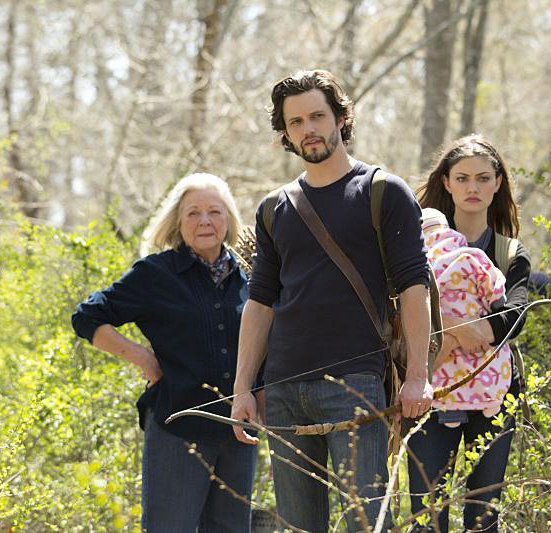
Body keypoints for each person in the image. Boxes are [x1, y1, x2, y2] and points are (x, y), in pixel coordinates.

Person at [230, 69, 433, 533]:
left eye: (318, 116)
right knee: (300, 528)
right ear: (284, 132)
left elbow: (413, 288)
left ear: (341, 118)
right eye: (296, 121)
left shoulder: (383, 191)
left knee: (367, 524)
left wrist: (417, 377)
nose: (309, 129)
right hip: (282, 389)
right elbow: (260, 302)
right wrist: (244, 386)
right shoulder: (272, 208)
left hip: (354, 384)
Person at [71, 173, 258, 532]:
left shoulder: (249, 276)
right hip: (179, 428)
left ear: (229, 219)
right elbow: (88, 316)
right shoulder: (156, 274)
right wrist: (142, 357)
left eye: (215, 212)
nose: (205, 221)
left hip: (238, 432)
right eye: (193, 213)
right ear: (177, 221)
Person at [409, 134, 531, 532]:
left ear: (498, 182)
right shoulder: (418, 245)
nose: (472, 188)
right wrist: (465, 330)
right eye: (462, 178)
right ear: (446, 182)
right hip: (430, 391)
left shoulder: (510, 252)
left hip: (494, 396)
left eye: (482, 178)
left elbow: (515, 313)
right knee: (426, 514)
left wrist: (453, 331)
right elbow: (402, 307)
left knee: (483, 516)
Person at [420, 207, 512, 422]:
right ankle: (491, 402)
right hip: (478, 339)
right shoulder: (472, 256)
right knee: (486, 369)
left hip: (440, 345)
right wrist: (496, 302)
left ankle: (450, 411)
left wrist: (450, 332)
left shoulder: (422, 265)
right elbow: (494, 284)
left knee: (445, 377)